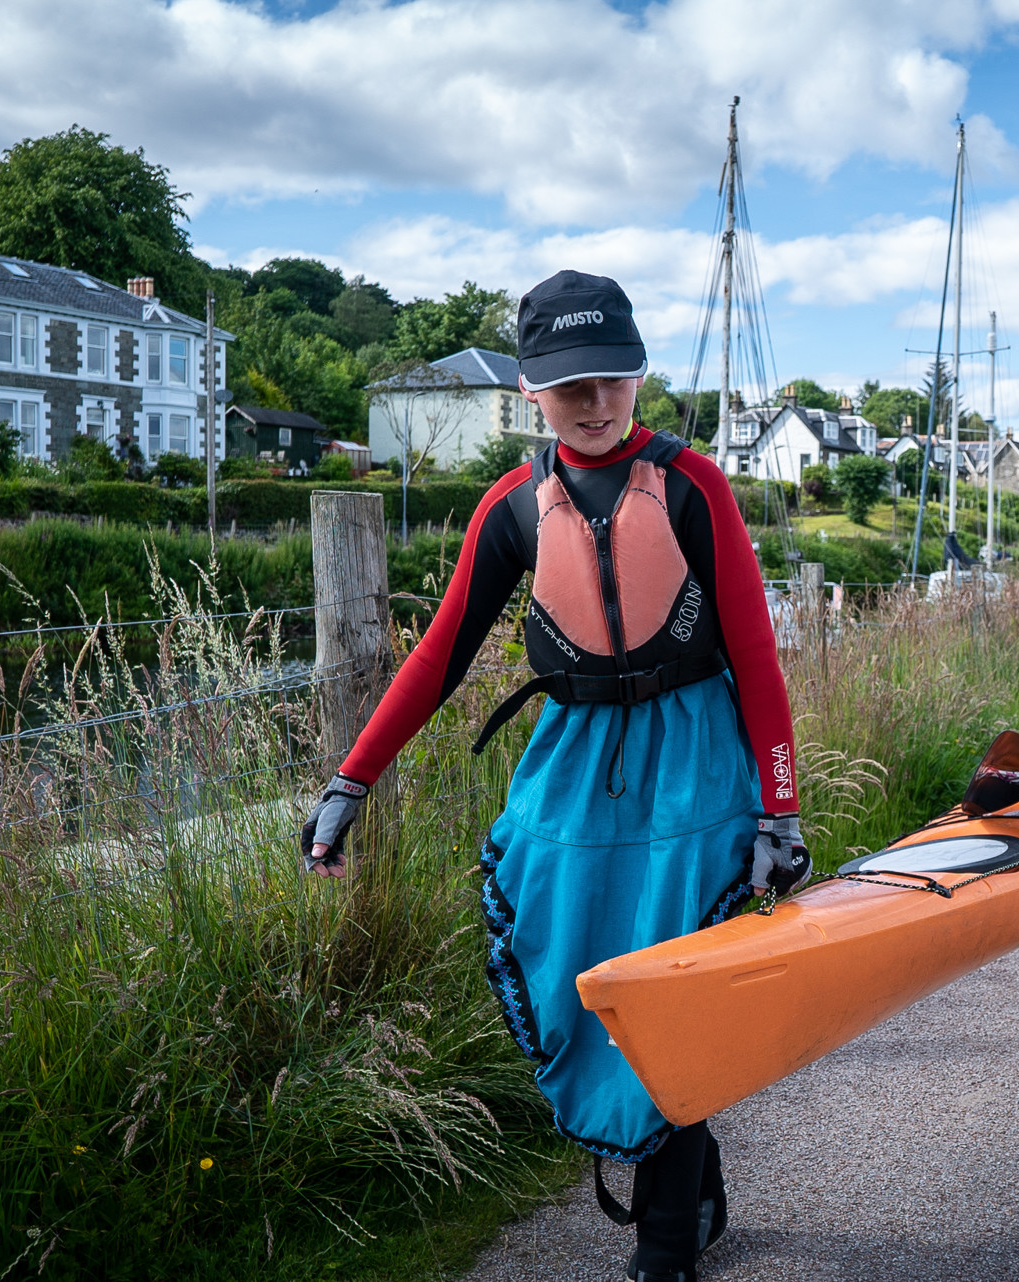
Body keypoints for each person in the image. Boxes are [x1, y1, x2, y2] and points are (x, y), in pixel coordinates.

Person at [299, 270, 809, 1282]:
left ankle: (667, 1239)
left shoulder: (694, 485)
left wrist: (779, 813)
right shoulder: (512, 509)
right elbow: (439, 656)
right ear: (532, 389)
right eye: (572, 384)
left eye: (614, 378)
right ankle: (687, 1166)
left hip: (693, 756)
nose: (596, 401)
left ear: (638, 376)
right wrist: (350, 782)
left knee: (672, 985)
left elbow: (755, 653)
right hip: (574, 763)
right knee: (570, 962)